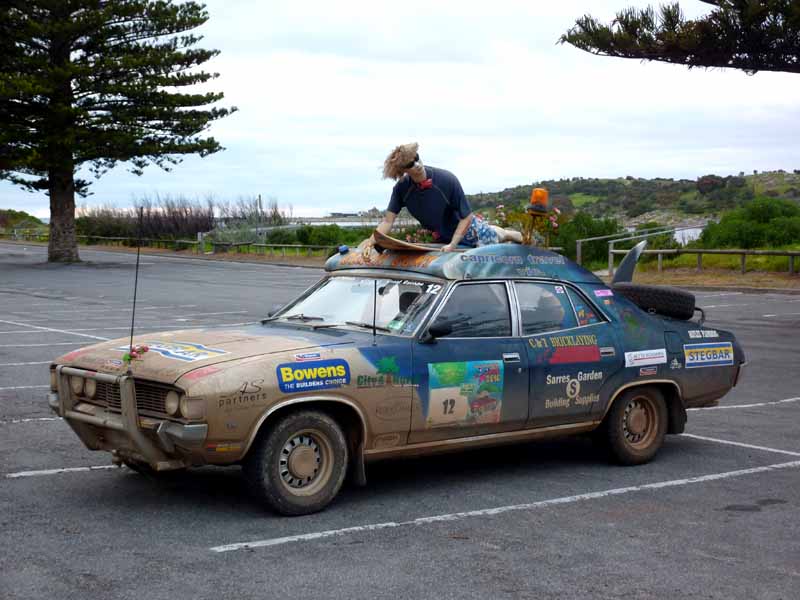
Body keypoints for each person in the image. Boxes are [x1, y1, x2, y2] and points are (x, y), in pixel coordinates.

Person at [362, 143, 522, 257]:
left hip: (470, 231)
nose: (417, 164)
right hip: (444, 237)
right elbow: (388, 221)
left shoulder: (446, 179)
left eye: (417, 158)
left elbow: (466, 216)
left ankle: (513, 234)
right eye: (411, 164)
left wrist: (453, 244)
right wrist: (370, 241)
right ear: (403, 170)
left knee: (495, 235)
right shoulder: (401, 189)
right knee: (493, 233)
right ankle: (503, 232)